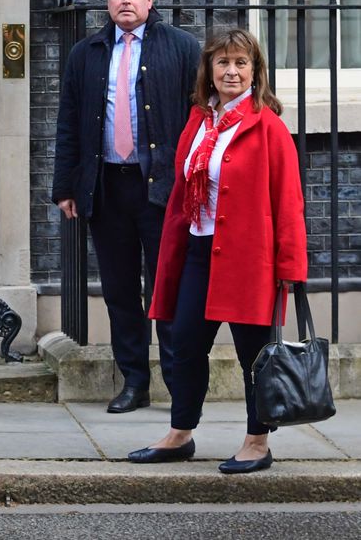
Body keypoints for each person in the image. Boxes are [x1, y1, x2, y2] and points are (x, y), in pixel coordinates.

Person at [128, 29, 307, 473]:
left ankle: (257, 441)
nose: (231, 71)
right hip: (199, 250)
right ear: (209, 70)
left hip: (249, 259)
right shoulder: (199, 121)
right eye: (223, 62)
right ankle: (180, 433)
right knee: (184, 344)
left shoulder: (268, 126)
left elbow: (289, 202)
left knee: (254, 356)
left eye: (241, 63)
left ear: (255, 72)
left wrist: (290, 266)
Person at [52, 0, 201, 413]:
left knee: (167, 287)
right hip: (106, 188)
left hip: (162, 189)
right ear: (108, 1)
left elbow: (201, 117)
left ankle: (179, 384)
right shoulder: (88, 52)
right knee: (118, 290)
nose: (126, 1)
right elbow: (69, 123)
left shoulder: (181, 47)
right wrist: (65, 187)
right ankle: (134, 381)